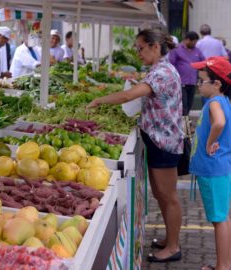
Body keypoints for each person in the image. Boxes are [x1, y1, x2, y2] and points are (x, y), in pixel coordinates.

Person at [87, 29, 183, 263]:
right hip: (158, 138)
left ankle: (173, 247)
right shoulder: (160, 69)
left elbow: (127, 96)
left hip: (165, 142)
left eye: (140, 48)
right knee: (161, 194)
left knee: (168, 196)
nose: (137, 53)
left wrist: (99, 100)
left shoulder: (162, 72)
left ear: (155, 47)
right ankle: (170, 239)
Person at [189, 56, 231, 270]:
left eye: (201, 80)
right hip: (219, 169)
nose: (198, 85)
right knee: (222, 217)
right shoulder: (221, 101)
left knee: (219, 219)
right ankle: (224, 264)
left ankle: (223, 266)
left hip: (214, 170)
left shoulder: (215, 102)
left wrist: (209, 142)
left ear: (216, 84)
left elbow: (220, 123)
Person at [169, 31, 205, 115]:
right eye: (194, 42)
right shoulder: (177, 50)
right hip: (180, 83)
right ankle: (185, 126)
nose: (195, 44)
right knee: (183, 106)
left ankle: (185, 123)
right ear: (187, 40)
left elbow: (203, 62)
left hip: (192, 82)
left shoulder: (197, 51)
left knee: (189, 105)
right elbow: (171, 64)